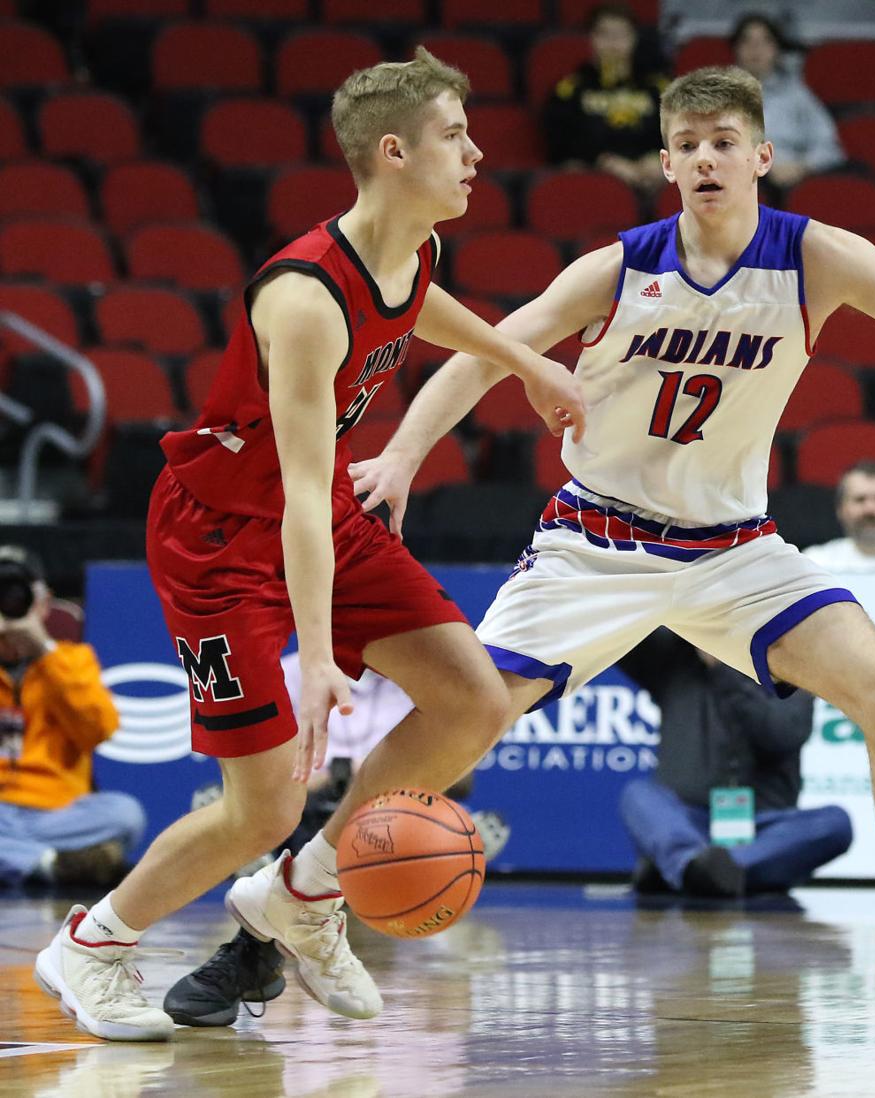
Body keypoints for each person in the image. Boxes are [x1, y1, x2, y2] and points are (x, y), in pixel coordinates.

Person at [352, 65, 875, 1037]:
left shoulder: (817, 258)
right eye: (688, 145)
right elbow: (484, 354)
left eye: (723, 142)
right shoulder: (618, 268)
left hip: (732, 550)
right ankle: (287, 899)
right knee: (463, 721)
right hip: (598, 542)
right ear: (665, 164)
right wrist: (405, 453)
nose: (706, 159)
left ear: (762, 156)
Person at [34, 48, 585, 1042]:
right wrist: (321, 658)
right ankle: (90, 945)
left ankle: (306, 894)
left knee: (473, 699)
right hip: (220, 537)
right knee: (262, 807)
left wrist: (522, 361)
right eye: (454, 135)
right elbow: (292, 497)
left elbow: (415, 307)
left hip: (317, 506)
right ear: (394, 152)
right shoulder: (303, 299)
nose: (475, 153)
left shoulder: (414, 247)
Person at [163, 649, 511, 1028]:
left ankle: (453, 848)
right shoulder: (288, 673)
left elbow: (462, 777)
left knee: (418, 814)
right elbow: (256, 759)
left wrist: (382, 771)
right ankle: (252, 849)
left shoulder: (420, 674)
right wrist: (325, 776)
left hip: (385, 810)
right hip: (304, 795)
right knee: (269, 806)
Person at [618, 628, 851, 897]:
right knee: (638, 795)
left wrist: (724, 668)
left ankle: (685, 868)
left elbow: (782, 735)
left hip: (762, 828)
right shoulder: (673, 657)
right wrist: (687, 623)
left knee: (835, 823)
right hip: (687, 820)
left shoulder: (790, 663)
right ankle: (695, 864)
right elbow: (620, 628)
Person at [0, 545, 144, 891]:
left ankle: (19, 860)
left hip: (59, 812)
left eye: (16, 592)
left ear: (43, 601)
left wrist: (44, 651)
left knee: (126, 814)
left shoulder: (73, 659)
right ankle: (51, 865)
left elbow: (100, 729)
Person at [545, 3, 669, 193]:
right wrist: (603, 161)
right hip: (594, 179)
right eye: (605, 34)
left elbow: (678, 131)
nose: (613, 43)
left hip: (651, 176)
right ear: (591, 38)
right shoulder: (571, 89)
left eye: (621, 35)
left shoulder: (658, 88)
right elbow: (560, 142)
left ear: (634, 38)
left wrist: (659, 157)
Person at [729, 12, 844, 188]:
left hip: (792, 181)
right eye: (747, 41)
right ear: (736, 49)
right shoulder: (716, 96)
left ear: (776, 50)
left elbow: (830, 147)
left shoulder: (797, 94)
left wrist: (802, 167)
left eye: (765, 41)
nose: (755, 48)